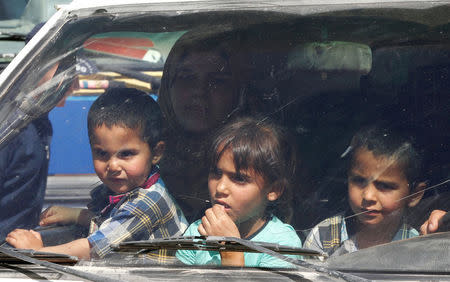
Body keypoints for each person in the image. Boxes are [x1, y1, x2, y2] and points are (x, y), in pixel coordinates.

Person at [6, 88, 188, 260]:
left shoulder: (149, 202)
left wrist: (38, 251)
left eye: (127, 154)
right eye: (102, 153)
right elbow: (113, 225)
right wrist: (76, 215)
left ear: (156, 153)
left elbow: (93, 249)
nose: (113, 166)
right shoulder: (129, 189)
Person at [176, 117, 302, 268]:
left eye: (239, 178)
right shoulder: (198, 231)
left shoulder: (281, 244)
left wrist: (231, 250)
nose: (221, 188)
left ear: (274, 190)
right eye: (216, 173)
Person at [158, 28, 251, 222]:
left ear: (238, 93)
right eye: (187, 78)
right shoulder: (140, 160)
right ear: (168, 87)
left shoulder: (257, 160)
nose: (199, 92)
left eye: (217, 81)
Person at [304, 123, 426, 256]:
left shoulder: (418, 247)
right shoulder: (324, 236)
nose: (368, 196)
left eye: (384, 186)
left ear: (414, 195)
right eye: (359, 181)